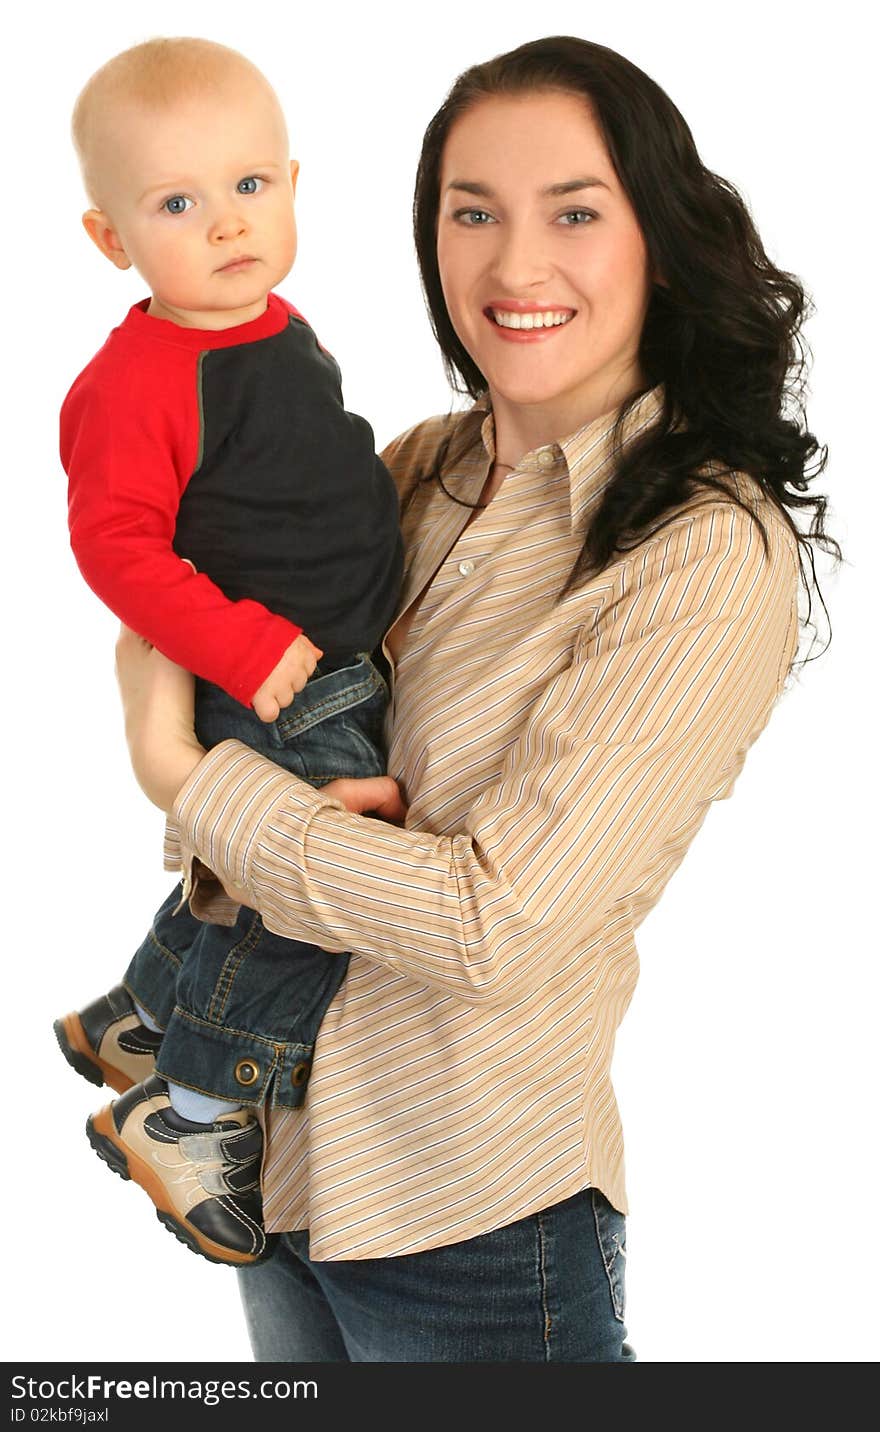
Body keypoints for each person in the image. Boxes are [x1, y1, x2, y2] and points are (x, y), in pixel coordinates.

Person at [110, 35, 837, 1362]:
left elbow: (496, 923)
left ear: (658, 240)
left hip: (468, 1218)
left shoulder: (702, 551)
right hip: (275, 1173)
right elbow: (220, 685)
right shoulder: (414, 470)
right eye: (472, 213)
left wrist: (187, 775)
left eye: (574, 211)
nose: (514, 267)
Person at [52, 38, 403, 1266]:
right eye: (178, 204)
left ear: (295, 182)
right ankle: (188, 1115)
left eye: (252, 186)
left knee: (254, 885)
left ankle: (137, 1014)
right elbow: (115, 547)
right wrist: (242, 646)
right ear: (113, 240)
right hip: (279, 674)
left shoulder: (274, 322)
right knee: (309, 899)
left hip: (328, 658)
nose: (226, 225)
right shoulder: (136, 381)